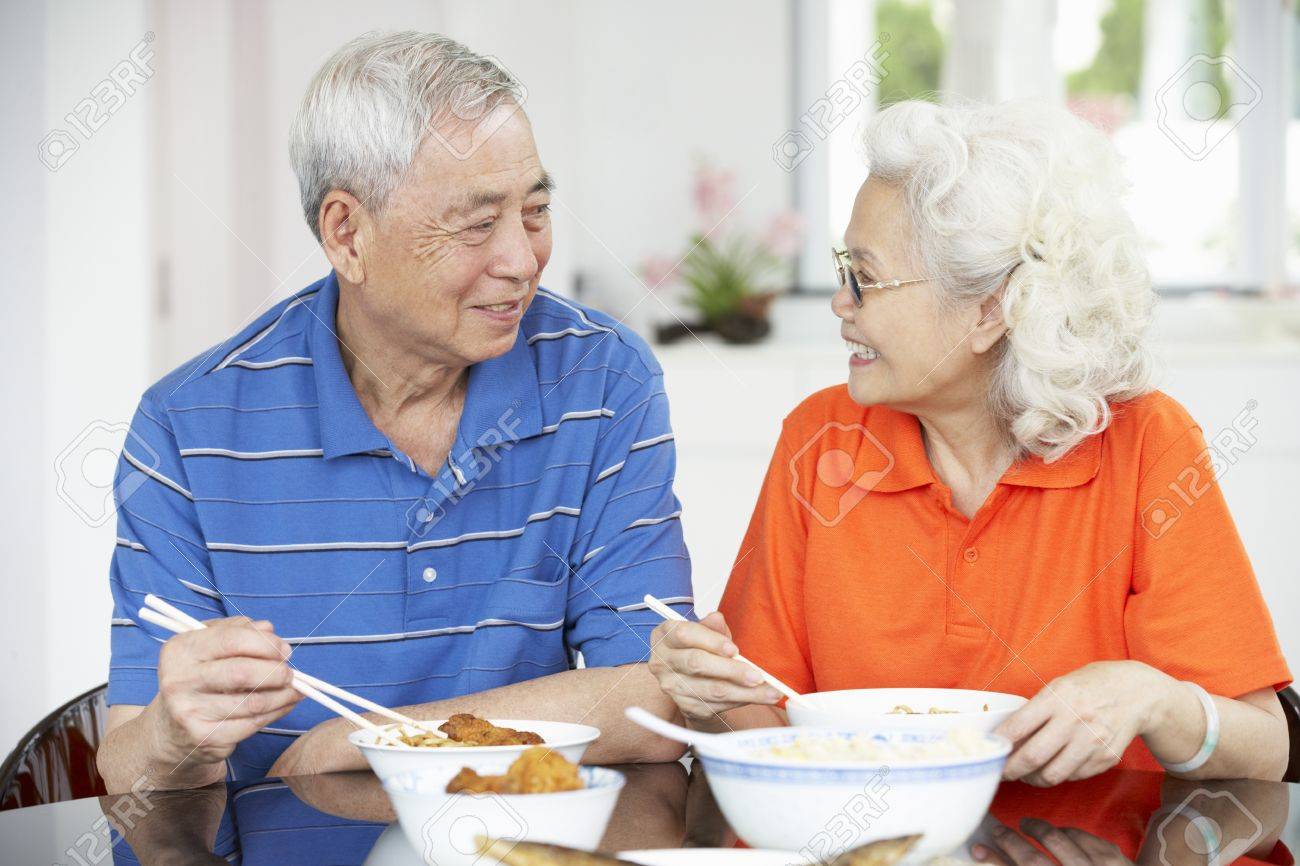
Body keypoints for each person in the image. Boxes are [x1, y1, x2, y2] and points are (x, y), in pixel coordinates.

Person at [97, 31, 692, 792]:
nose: (523, 258)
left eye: (536, 210)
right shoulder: (188, 427)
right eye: (478, 224)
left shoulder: (601, 377)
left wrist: (363, 741)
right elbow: (127, 767)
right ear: (347, 233)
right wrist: (173, 732)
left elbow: (653, 694)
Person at [648, 99, 1290, 786]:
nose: (841, 302)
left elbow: (1267, 749)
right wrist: (709, 696)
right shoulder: (822, 439)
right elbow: (769, 722)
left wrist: (1156, 698)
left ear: (992, 310)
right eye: (842, 272)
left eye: (865, 277)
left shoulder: (1145, 444)